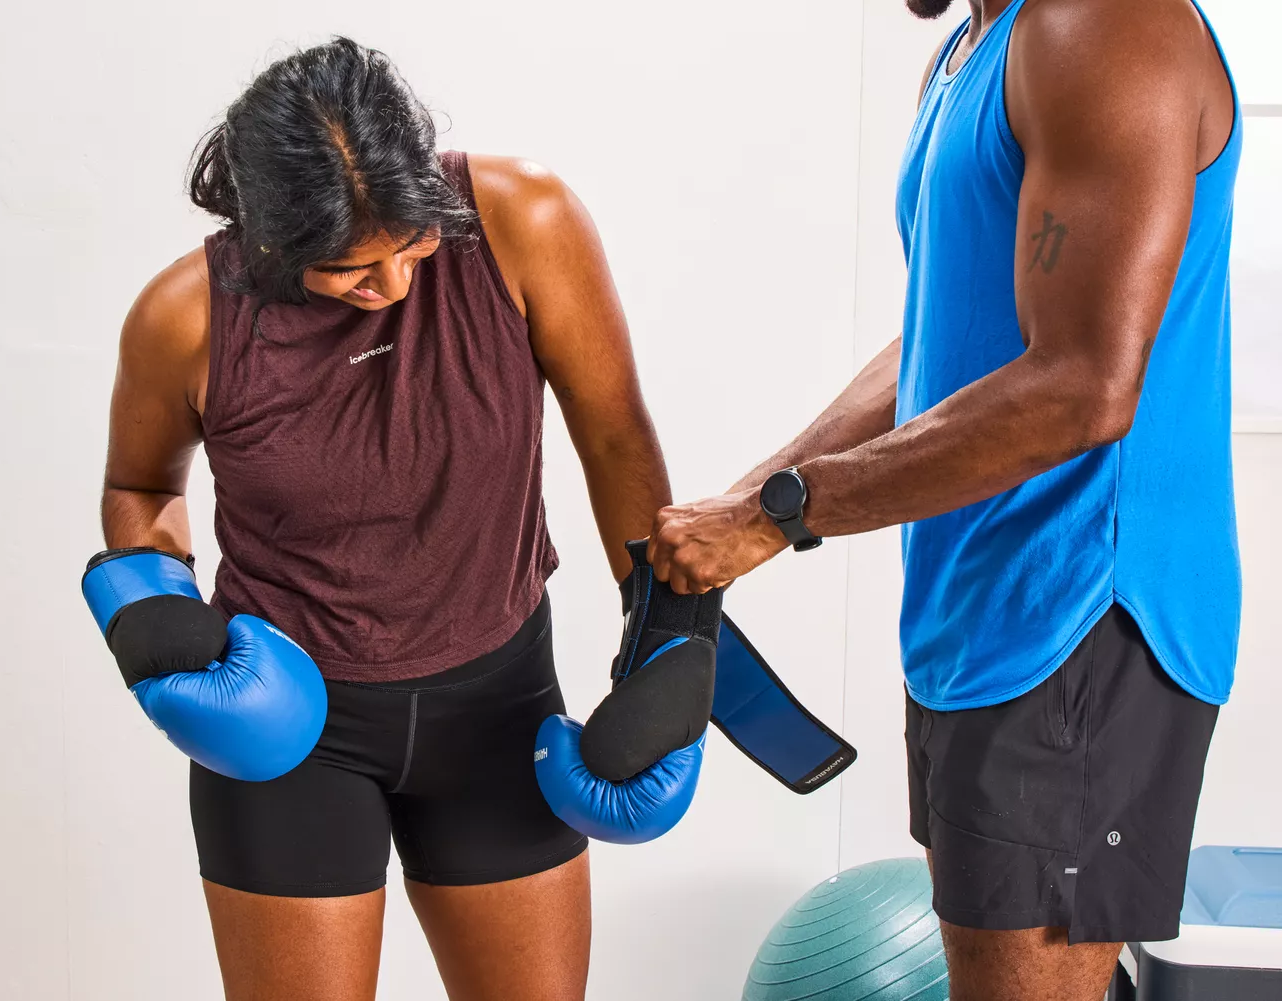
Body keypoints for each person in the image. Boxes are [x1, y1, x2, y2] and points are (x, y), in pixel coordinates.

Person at [645, 1, 1241, 999]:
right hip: (984, 608)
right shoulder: (975, 48)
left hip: (1084, 612)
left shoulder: (1105, 22)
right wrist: (755, 492)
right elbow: (940, 332)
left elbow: (1083, 384)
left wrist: (774, 518)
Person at [96, 38, 671, 1001]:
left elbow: (613, 437)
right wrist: (157, 608)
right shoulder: (186, 317)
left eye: (409, 244)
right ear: (268, 238)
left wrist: (667, 635)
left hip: (497, 707)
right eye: (349, 271)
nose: (393, 287)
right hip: (289, 731)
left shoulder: (522, 220)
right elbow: (143, 488)